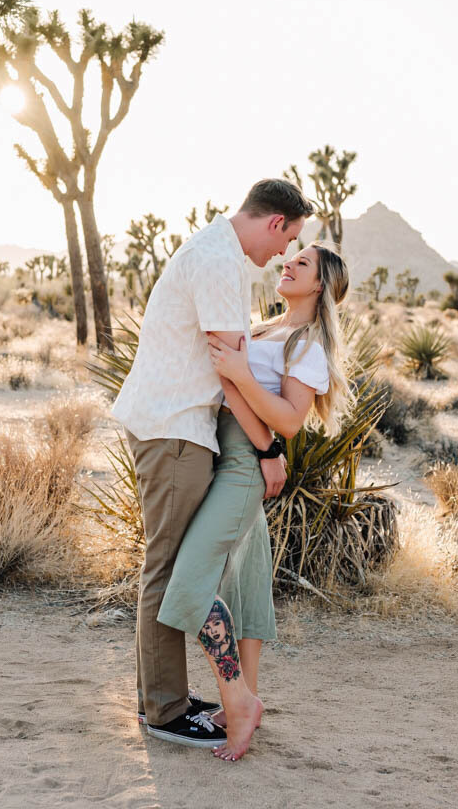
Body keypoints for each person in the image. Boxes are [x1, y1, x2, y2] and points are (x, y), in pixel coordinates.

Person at [110, 178, 312, 750]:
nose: (282, 254)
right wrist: (270, 451)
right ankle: (167, 711)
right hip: (175, 430)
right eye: (288, 238)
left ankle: (161, 699)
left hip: (174, 426)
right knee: (168, 569)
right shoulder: (220, 264)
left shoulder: (212, 251)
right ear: (275, 223)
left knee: (168, 566)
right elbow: (232, 374)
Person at [159, 242, 353, 761]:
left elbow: (289, 421)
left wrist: (244, 383)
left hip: (245, 462)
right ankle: (238, 702)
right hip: (225, 452)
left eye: (302, 262)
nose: (287, 263)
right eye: (291, 257)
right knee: (245, 585)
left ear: (320, 284)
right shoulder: (268, 328)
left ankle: (239, 700)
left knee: (190, 583)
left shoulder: (307, 345)